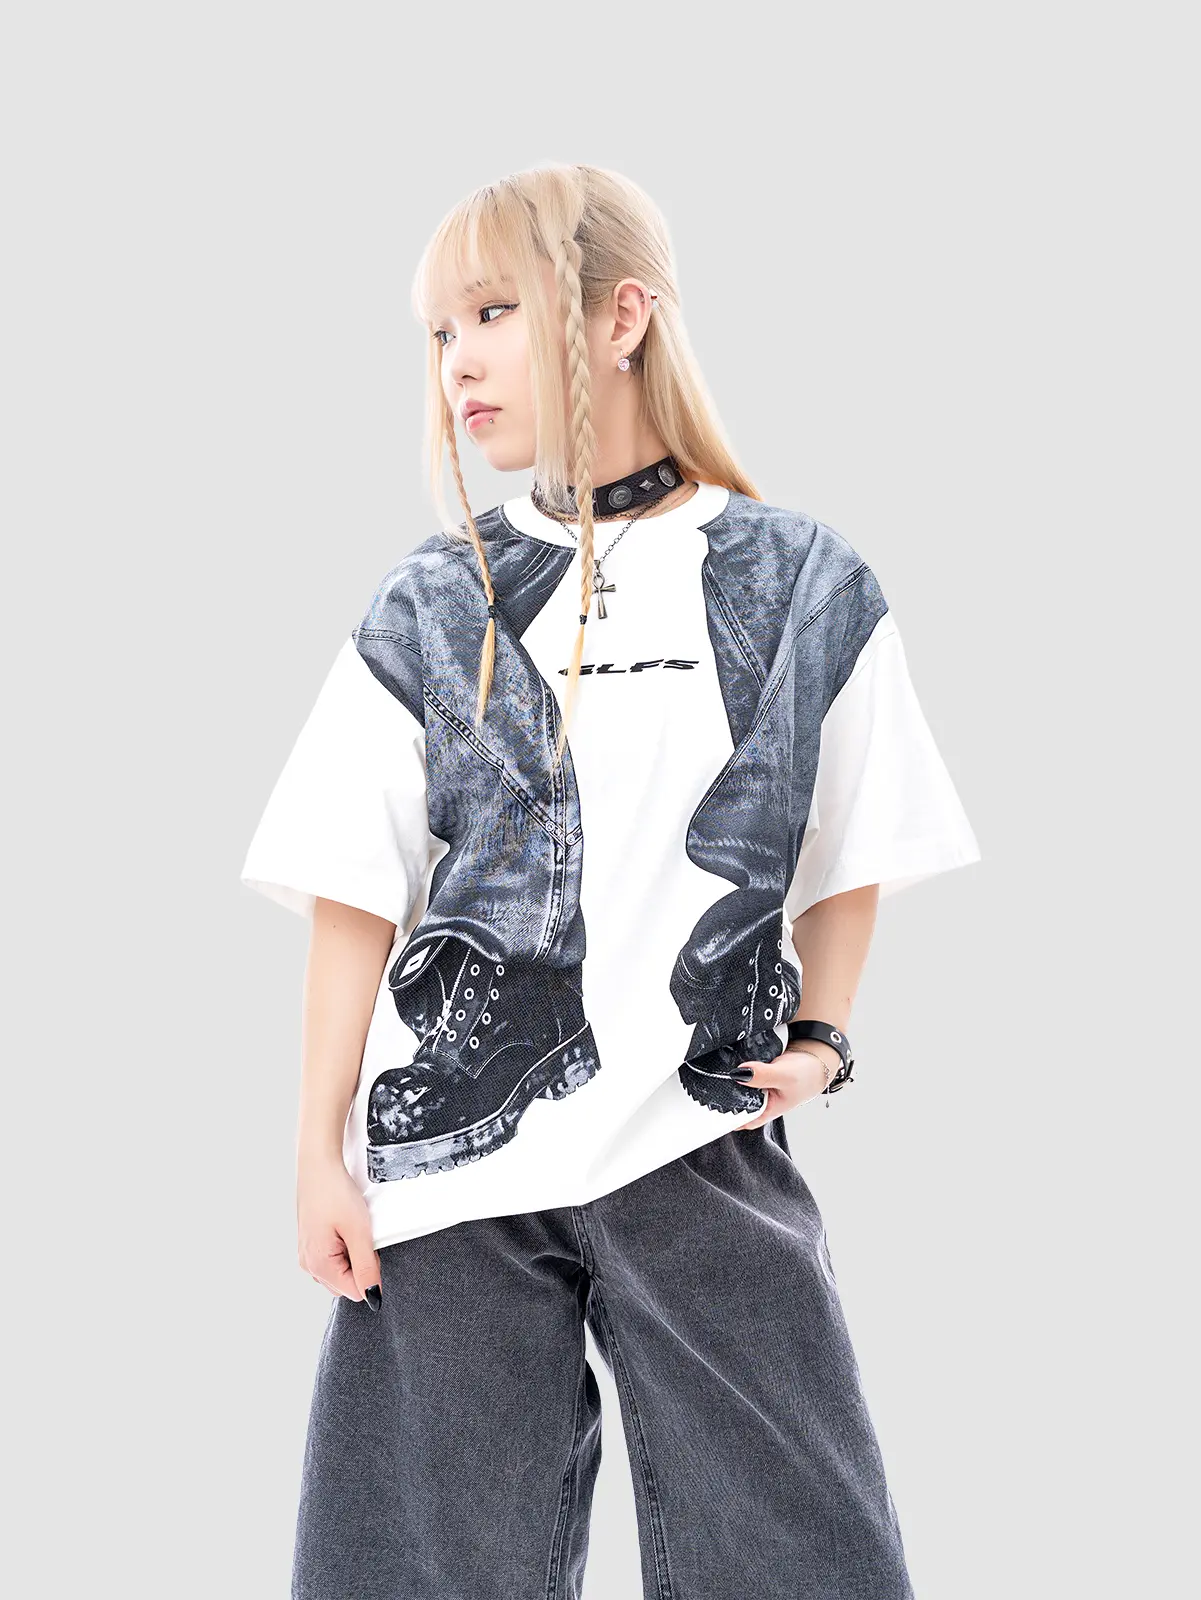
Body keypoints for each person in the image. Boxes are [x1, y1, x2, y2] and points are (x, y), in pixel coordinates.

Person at [240, 162, 981, 1600]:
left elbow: (856, 834)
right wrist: (318, 1148)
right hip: (455, 1166)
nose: (458, 363)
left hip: (698, 1134)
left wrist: (824, 1037)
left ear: (620, 317)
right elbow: (353, 887)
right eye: (439, 331)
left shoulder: (804, 579)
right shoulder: (432, 599)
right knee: (418, 1571)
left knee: (805, 1553)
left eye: (493, 313)